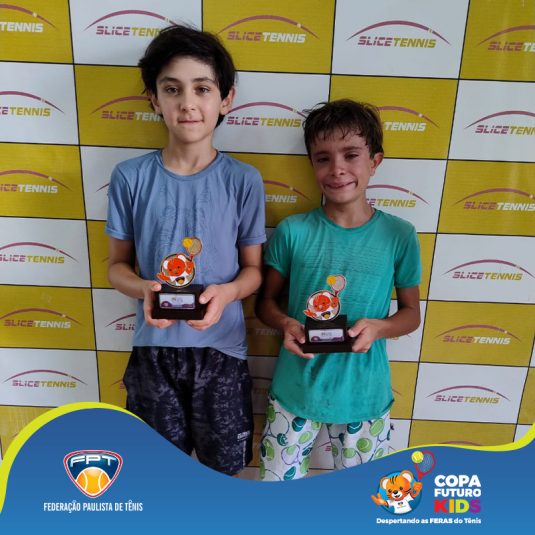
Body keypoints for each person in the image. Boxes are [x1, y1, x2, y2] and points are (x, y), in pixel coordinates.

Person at [106, 25, 266, 476]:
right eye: (172, 89)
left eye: (203, 88)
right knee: (156, 474)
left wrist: (226, 293)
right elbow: (116, 267)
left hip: (222, 353)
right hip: (153, 353)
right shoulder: (130, 177)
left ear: (226, 99)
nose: (188, 103)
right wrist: (145, 289)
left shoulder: (243, 180)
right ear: (154, 99)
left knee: (224, 474)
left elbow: (253, 272)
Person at [256, 99, 421, 481]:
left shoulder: (399, 235)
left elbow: (411, 314)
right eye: (323, 158)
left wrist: (378, 328)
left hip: (365, 396)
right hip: (295, 391)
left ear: (375, 161)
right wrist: (286, 324)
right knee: (276, 492)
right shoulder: (293, 231)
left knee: (368, 497)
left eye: (351, 155)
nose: (337, 169)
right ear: (312, 164)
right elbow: (265, 303)